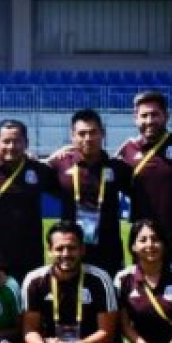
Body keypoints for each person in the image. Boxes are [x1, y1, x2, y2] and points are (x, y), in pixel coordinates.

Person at [10, 221, 126, 343]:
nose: (66, 254)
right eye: (59, 248)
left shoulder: (99, 278)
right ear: (49, 250)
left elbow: (107, 332)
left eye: (72, 248)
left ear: (82, 249)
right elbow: (29, 329)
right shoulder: (35, 280)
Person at [115, 91, 172, 271]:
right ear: (135, 118)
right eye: (144, 115)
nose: (149, 120)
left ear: (166, 116)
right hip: (145, 246)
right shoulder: (127, 151)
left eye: (155, 114)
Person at [0, 119, 60, 282]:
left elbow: (65, 188)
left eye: (17, 141)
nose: (11, 146)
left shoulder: (40, 170)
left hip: (30, 255)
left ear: (26, 143)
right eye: (6, 141)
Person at [45, 109, 132, 278]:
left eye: (93, 133)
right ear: (73, 136)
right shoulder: (59, 165)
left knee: (109, 299)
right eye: (82, 133)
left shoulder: (118, 168)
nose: (88, 138)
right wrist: (50, 158)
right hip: (69, 249)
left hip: (108, 250)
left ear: (103, 133)